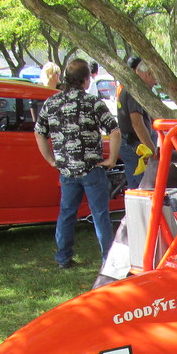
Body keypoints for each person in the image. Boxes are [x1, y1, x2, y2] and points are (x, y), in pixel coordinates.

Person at [34, 58, 121, 269]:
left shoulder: (51, 103)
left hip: (66, 170)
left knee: (67, 213)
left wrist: (50, 160)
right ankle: (108, 262)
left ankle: (63, 257)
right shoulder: (93, 103)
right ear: (85, 80)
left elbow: (39, 132)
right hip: (92, 169)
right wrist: (110, 159)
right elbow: (115, 132)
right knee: (100, 215)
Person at [117, 58, 157, 189]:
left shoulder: (130, 87)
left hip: (131, 145)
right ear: (148, 74)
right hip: (135, 147)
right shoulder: (134, 91)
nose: (156, 83)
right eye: (155, 78)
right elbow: (137, 124)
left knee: (137, 185)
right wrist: (151, 150)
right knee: (143, 186)